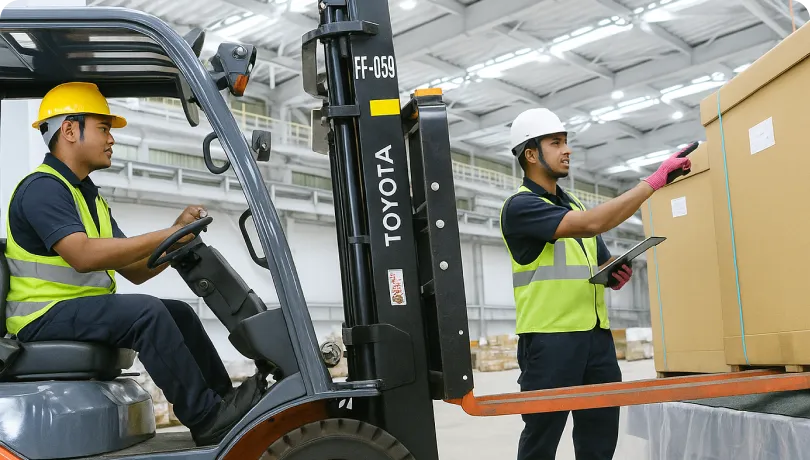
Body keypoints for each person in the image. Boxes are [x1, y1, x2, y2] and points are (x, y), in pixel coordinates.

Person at [4, 82, 263, 446]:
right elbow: (82, 256)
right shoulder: (43, 188)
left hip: (72, 310)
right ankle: (206, 419)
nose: (111, 139)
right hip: (41, 317)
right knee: (147, 313)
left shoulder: (87, 196)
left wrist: (176, 237)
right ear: (70, 130)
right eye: (103, 128)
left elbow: (137, 270)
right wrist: (165, 234)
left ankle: (223, 403)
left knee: (178, 313)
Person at [500, 107, 695, 460]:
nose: (567, 150)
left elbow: (599, 258)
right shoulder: (520, 206)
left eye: (565, 141)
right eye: (555, 143)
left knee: (600, 434)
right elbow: (592, 224)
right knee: (542, 437)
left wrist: (613, 273)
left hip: (596, 337)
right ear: (530, 154)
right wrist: (652, 183)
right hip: (550, 340)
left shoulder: (573, 203)